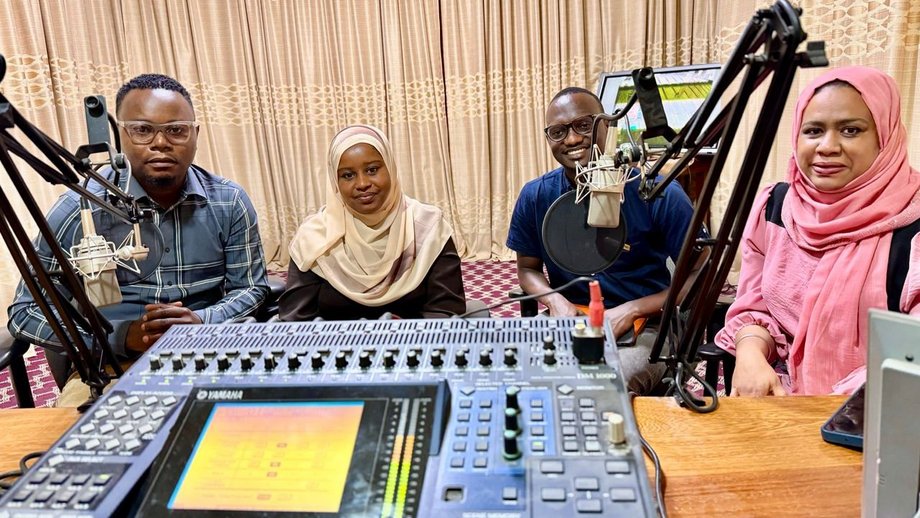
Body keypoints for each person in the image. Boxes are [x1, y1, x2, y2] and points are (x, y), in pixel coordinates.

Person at [7, 73, 270, 405]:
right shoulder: (79, 209)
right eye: (143, 130)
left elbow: (251, 287)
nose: (160, 143)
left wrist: (202, 320)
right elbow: (25, 311)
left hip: (210, 350)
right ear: (119, 136)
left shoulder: (228, 202)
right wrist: (120, 337)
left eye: (176, 130)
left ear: (196, 135)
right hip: (114, 363)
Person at [714, 66, 920, 396]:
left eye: (851, 130)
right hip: (782, 402)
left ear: (886, 135)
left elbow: (912, 357)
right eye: (813, 131)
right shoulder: (777, 207)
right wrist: (751, 352)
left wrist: (823, 404)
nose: (827, 146)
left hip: (877, 411)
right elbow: (755, 307)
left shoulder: (913, 222)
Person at [506, 87, 705, 394]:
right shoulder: (535, 196)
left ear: (607, 125)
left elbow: (699, 275)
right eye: (558, 132)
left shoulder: (658, 192)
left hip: (645, 325)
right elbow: (527, 269)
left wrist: (634, 309)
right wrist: (554, 299)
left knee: (601, 386)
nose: (571, 140)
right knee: (512, 376)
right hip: (571, 319)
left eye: (583, 125)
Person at [280, 124, 466, 320]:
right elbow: (296, 323)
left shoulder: (427, 228)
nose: (362, 184)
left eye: (372, 170)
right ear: (335, 182)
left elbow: (446, 312)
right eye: (348, 175)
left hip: (416, 346)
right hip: (337, 348)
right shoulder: (314, 238)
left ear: (391, 168)